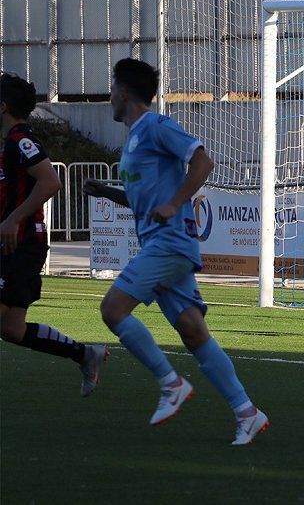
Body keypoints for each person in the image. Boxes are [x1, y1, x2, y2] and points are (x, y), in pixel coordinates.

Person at [83, 59, 267, 444]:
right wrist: (107, 192)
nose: (110, 97)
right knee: (193, 331)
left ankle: (170, 384)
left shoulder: (155, 125)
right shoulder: (134, 139)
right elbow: (146, 201)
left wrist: (174, 204)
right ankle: (246, 412)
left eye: (112, 89)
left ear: (125, 92)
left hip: (169, 243)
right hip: (162, 244)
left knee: (112, 310)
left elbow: (203, 161)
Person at [0, 73, 108, 396]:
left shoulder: (21, 141)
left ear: (3, 106)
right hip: (13, 245)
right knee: (12, 329)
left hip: (23, 245)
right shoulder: (10, 143)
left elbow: (51, 182)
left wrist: (14, 220)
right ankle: (85, 354)